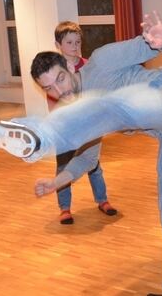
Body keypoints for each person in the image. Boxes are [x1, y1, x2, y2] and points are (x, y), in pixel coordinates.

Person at [0, 11, 162, 295]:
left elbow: (150, 44)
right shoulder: (85, 114)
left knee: (111, 104)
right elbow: (87, 157)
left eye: (60, 78)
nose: (59, 89)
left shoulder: (101, 62)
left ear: (70, 66)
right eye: (50, 88)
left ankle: (37, 136)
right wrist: (56, 182)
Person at [47, 21, 117, 224]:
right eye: (69, 42)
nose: (75, 46)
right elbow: (53, 101)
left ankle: (102, 200)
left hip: (89, 127)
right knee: (63, 169)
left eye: (78, 42)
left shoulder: (87, 66)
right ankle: (65, 208)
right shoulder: (53, 71)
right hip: (65, 130)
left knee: (94, 165)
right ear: (58, 44)